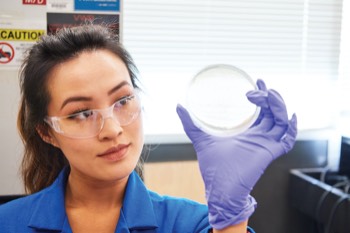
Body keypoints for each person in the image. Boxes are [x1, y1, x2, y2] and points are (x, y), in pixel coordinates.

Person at [0, 23, 297, 233]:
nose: (113, 129)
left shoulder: (193, 225)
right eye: (81, 113)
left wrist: (231, 215)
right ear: (47, 132)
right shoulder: (7, 223)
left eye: (123, 100)